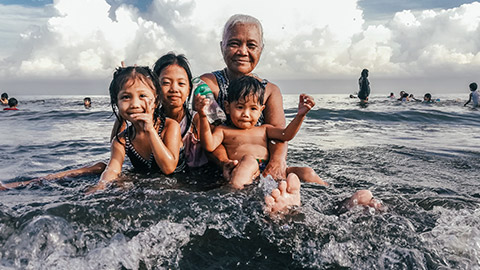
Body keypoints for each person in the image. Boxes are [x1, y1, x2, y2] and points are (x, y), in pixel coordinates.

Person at [199, 14, 290, 183]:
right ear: (222, 47)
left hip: (261, 167)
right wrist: (225, 163)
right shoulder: (208, 84)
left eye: (251, 45)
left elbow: (279, 135)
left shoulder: (270, 91)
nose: (243, 51)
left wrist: (277, 163)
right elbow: (210, 136)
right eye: (234, 43)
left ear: (260, 50)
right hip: (223, 168)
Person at [195, 76, 327, 190]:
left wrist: (300, 116)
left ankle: (329, 192)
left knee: (307, 172)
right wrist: (202, 115)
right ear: (228, 107)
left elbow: (286, 135)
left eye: (253, 108)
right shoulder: (223, 130)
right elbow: (209, 145)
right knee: (249, 160)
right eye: (240, 107)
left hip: (270, 173)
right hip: (244, 170)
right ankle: (235, 193)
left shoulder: (265, 129)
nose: (246, 114)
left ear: (261, 110)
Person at [89, 65, 184, 192]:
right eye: (125, 97)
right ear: (116, 103)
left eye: (142, 96)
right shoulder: (121, 141)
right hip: (147, 187)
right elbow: (112, 170)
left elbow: (168, 168)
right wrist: (101, 186)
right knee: (119, 185)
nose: (134, 104)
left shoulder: (170, 126)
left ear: (155, 101)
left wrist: (150, 129)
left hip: (180, 186)